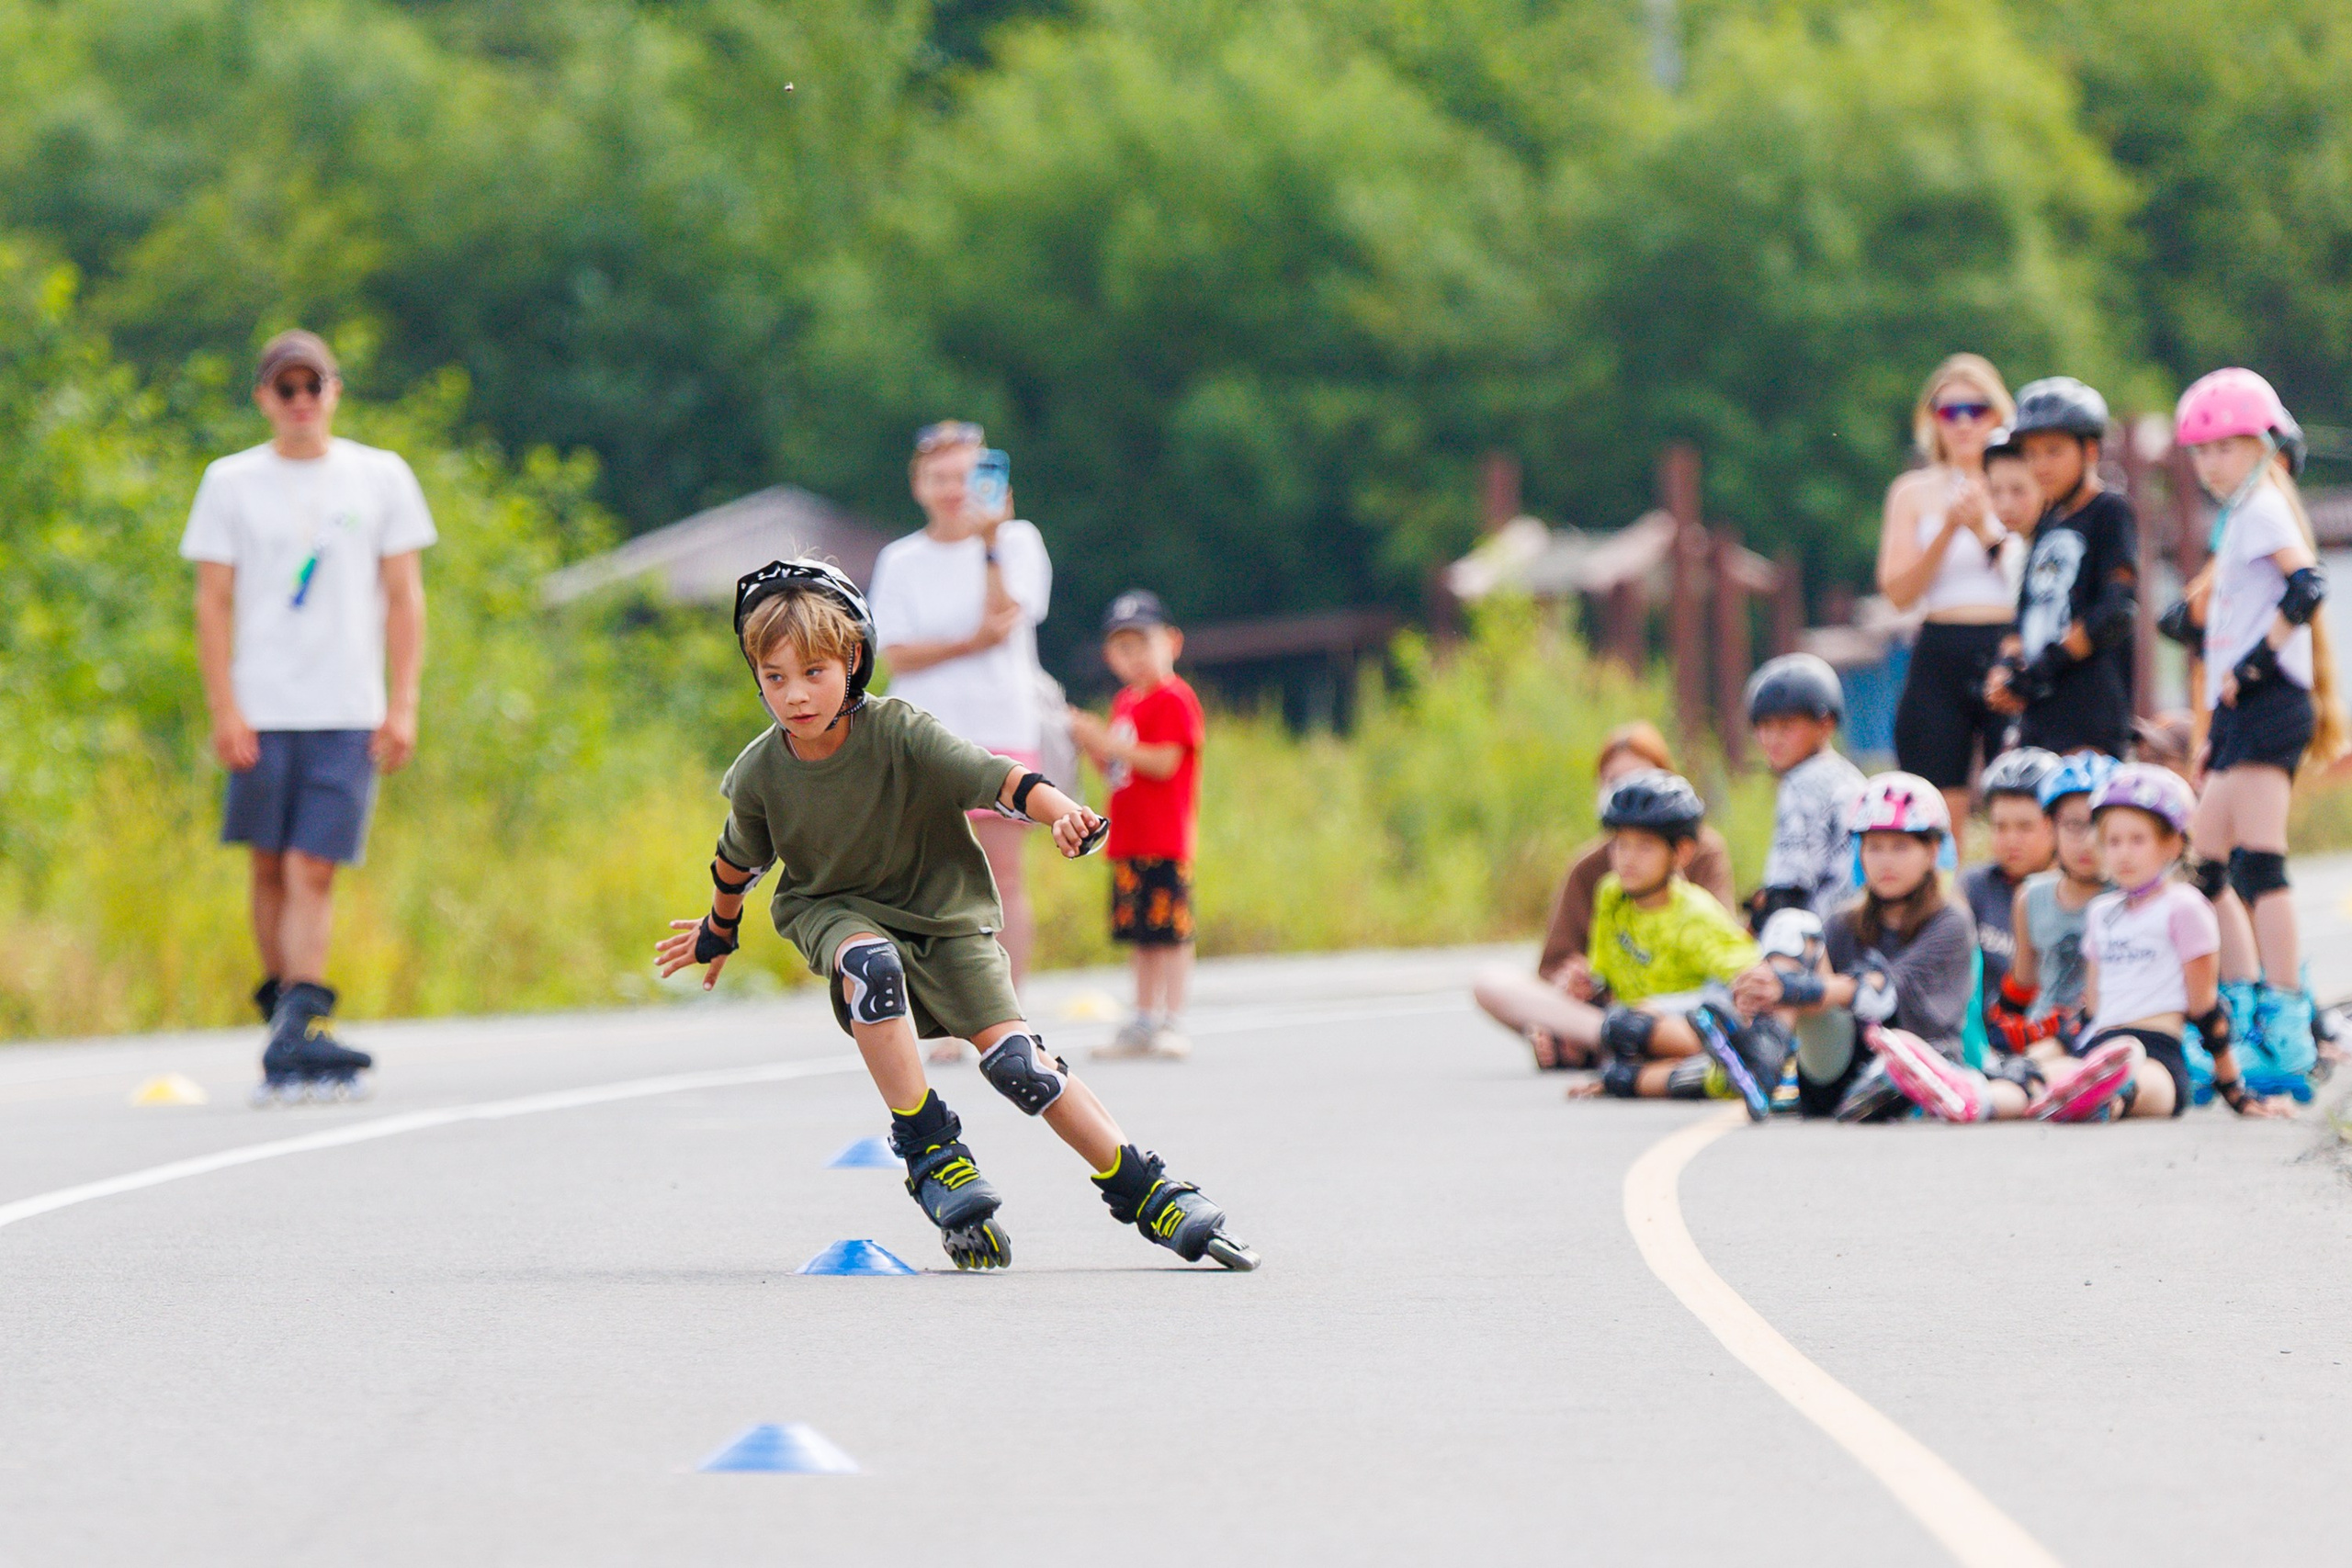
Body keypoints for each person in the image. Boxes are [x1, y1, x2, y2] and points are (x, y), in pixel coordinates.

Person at [656, 561, 1255, 1271]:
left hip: (944, 914)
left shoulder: (899, 730)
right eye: (774, 676)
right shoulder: (761, 772)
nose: (794, 695)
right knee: (869, 964)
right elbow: (738, 862)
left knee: (1020, 1065)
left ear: (853, 660)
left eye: (812, 671)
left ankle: (1145, 1187)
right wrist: (717, 931)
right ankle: (929, 1145)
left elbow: (993, 775)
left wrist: (1061, 808)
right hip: (833, 908)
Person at [179, 330, 434, 1103]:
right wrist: (225, 706)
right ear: (264, 397)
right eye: (284, 389)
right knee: (266, 861)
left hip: (346, 705)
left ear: (334, 390)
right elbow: (213, 601)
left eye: (311, 386)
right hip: (262, 701)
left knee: (312, 865)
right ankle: (293, 1024)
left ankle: (298, 1015)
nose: (299, 402)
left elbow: (404, 596)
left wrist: (402, 701)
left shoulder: (378, 476)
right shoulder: (231, 482)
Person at [2161, 367, 2348, 1089]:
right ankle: (2240, 1009)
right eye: (2201, 452)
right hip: (2245, 713)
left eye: (2225, 448)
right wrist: (2217, 724)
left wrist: (2259, 664)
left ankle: (2286, 1028)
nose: (2210, 465)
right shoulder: (2241, 515)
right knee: (2207, 867)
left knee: (2258, 866)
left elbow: (2309, 586)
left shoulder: (2265, 507)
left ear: (2264, 446)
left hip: (2272, 704)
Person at [868, 422, 1053, 1054]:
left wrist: (991, 542)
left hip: (1002, 726)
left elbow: (1008, 617)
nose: (954, 490)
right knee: (933, 878)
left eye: (966, 476)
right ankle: (948, 1012)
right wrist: (965, 642)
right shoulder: (902, 559)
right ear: (920, 483)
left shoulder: (1019, 542)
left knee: (1003, 876)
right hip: (926, 735)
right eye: (941, 477)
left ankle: (1007, 1013)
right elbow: (894, 651)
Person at [2027, 766, 2285, 1122]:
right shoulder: (2101, 913)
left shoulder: (2185, 906)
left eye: (2137, 840)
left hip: (2156, 1050)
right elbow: (2090, 1012)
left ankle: (2108, 1098)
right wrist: (2032, 1059)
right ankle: (1983, 1093)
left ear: (2172, 843)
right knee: (2032, 1078)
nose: (2123, 854)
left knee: (2148, 1082)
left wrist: (2235, 1091)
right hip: (2098, 1044)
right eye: (2113, 842)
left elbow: (2207, 1011)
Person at [1473, 720, 1736, 1067]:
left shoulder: (1700, 861)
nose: (1628, 860)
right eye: (1615, 783)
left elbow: (1725, 956)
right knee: (1491, 981)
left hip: (1677, 1001)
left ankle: (1609, 1040)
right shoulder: (1600, 881)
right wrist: (1578, 981)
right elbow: (1559, 968)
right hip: (1607, 1004)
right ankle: (1600, 1036)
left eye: (1645, 847)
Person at [1733, 773, 1976, 1121]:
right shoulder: (1842, 921)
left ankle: (1767, 1043)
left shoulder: (1950, 920)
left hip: (1919, 1069)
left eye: (1900, 847)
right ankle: (1762, 1058)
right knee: (1793, 925)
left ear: (1932, 852)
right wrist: (1759, 988)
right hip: (1844, 1069)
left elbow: (1884, 993)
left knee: (1853, 999)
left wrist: (1786, 987)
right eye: (1874, 847)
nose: (1885, 861)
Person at [1543, 773, 1783, 1119]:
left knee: (1627, 1024)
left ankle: (1727, 1062)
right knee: (1618, 1063)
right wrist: (1586, 983)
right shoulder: (1612, 895)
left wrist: (1662, 1008)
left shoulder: (1694, 914)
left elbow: (1747, 980)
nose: (1627, 858)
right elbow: (1605, 975)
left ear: (1681, 852)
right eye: (1620, 845)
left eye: (1644, 846)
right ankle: (1707, 1075)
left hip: (1695, 1016)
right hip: (1643, 1031)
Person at [1881, 355, 2018, 839]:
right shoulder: (1913, 492)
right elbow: (1898, 592)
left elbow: (2032, 580)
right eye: (1948, 411)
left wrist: (1983, 527)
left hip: (2008, 640)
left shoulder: (2022, 485)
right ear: (1932, 420)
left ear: (1999, 414)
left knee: (2020, 796)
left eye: (1975, 410)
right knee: (1935, 807)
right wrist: (1947, 531)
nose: (1963, 424)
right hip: (1941, 641)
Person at [1067, 590, 1205, 1061]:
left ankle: (1173, 1018)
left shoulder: (1174, 698)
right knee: (1142, 935)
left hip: (1165, 839)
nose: (1134, 657)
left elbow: (1164, 762)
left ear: (1172, 642)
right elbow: (1116, 769)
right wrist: (1091, 742)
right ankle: (1143, 1017)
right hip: (1128, 838)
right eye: (1123, 648)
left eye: (1143, 643)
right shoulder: (1125, 702)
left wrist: (1106, 741)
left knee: (1170, 933)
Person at [1985, 378, 2138, 759]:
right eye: (2031, 454)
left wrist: (2043, 669)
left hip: (2091, 714)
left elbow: (2115, 610)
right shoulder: (2048, 523)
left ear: (2089, 450)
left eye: (2053, 452)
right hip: (2040, 714)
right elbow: (2024, 613)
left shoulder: (2109, 512)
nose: (2040, 466)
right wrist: (2007, 669)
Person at [1988, 752, 2116, 1066]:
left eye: (2099, 825)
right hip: (2041, 1034)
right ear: (2050, 826)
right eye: (2074, 825)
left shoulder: (2133, 899)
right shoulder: (2030, 897)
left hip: (2106, 1032)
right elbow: (2022, 983)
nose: (2088, 841)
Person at [1744, 654, 1865, 928]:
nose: (1772, 739)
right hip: (1857, 928)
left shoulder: (1801, 783)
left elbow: (1789, 890)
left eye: (1786, 726)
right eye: (1764, 726)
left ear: (1826, 724)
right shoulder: (1851, 777)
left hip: (1819, 936)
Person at [1962, 748, 2059, 1015]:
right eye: (2000, 826)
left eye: (2025, 827)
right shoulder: (1974, 886)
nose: (2010, 840)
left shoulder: (2078, 892)